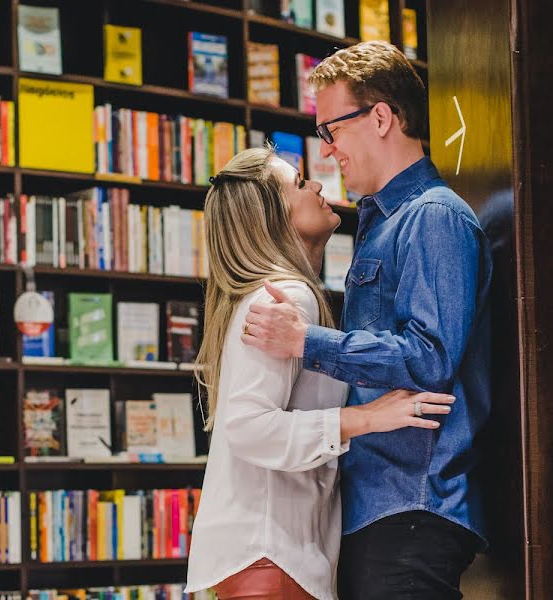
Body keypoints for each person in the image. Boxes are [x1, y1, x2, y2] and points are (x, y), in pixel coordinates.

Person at [240, 41, 492, 599]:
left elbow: (430, 359)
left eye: (331, 130)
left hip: (411, 505)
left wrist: (308, 340)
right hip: (377, 508)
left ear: (381, 117)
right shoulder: (380, 222)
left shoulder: (434, 217)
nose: (326, 152)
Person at [184, 146, 457, 600]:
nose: (315, 186)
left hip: (268, 556)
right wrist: (369, 417)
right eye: (298, 183)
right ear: (273, 216)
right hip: (272, 555)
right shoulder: (284, 297)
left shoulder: (278, 299)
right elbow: (249, 427)